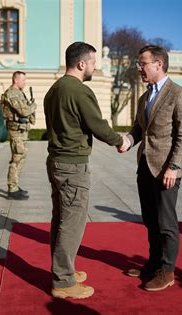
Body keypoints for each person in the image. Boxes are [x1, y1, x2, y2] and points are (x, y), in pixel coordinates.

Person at [44, 41, 129, 299]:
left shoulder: (54, 89)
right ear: (81, 64)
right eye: (93, 62)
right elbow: (97, 125)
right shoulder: (79, 91)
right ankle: (64, 281)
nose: (94, 66)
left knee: (60, 219)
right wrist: (120, 140)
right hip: (72, 165)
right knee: (72, 223)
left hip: (56, 161)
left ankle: (63, 270)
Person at [119, 45, 182, 291]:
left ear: (158, 64)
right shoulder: (145, 96)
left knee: (166, 223)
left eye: (143, 63)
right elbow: (140, 128)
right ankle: (152, 264)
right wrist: (127, 141)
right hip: (144, 167)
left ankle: (167, 271)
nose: (139, 68)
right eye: (139, 64)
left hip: (166, 171)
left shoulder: (178, 94)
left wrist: (174, 167)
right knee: (150, 220)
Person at [0, 71, 37, 200]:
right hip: (15, 131)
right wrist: (33, 106)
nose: (25, 82)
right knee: (17, 157)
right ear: (16, 80)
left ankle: (15, 185)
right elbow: (24, 111)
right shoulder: (12, 94)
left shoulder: (19, 93)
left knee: (21, 157)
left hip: (21, 130)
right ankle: (12, 188)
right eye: (23, 80)